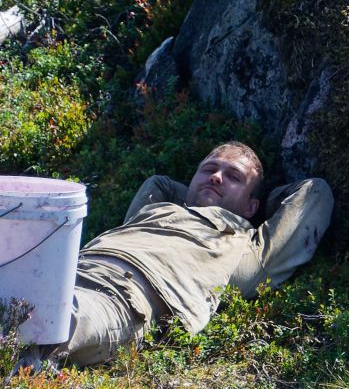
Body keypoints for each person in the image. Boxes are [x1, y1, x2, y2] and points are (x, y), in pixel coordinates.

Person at [35, 141, 332, 367]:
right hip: (72, 270)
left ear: (251, 207)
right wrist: (199, 198)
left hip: (122, 299)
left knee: (53, 323)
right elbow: (158, 183)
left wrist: (256, 207)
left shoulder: (241, 247)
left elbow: (314, 192)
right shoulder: (155, 212)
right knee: (5, 300)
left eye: (233, 177)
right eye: (208, 170)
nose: (216, 177)